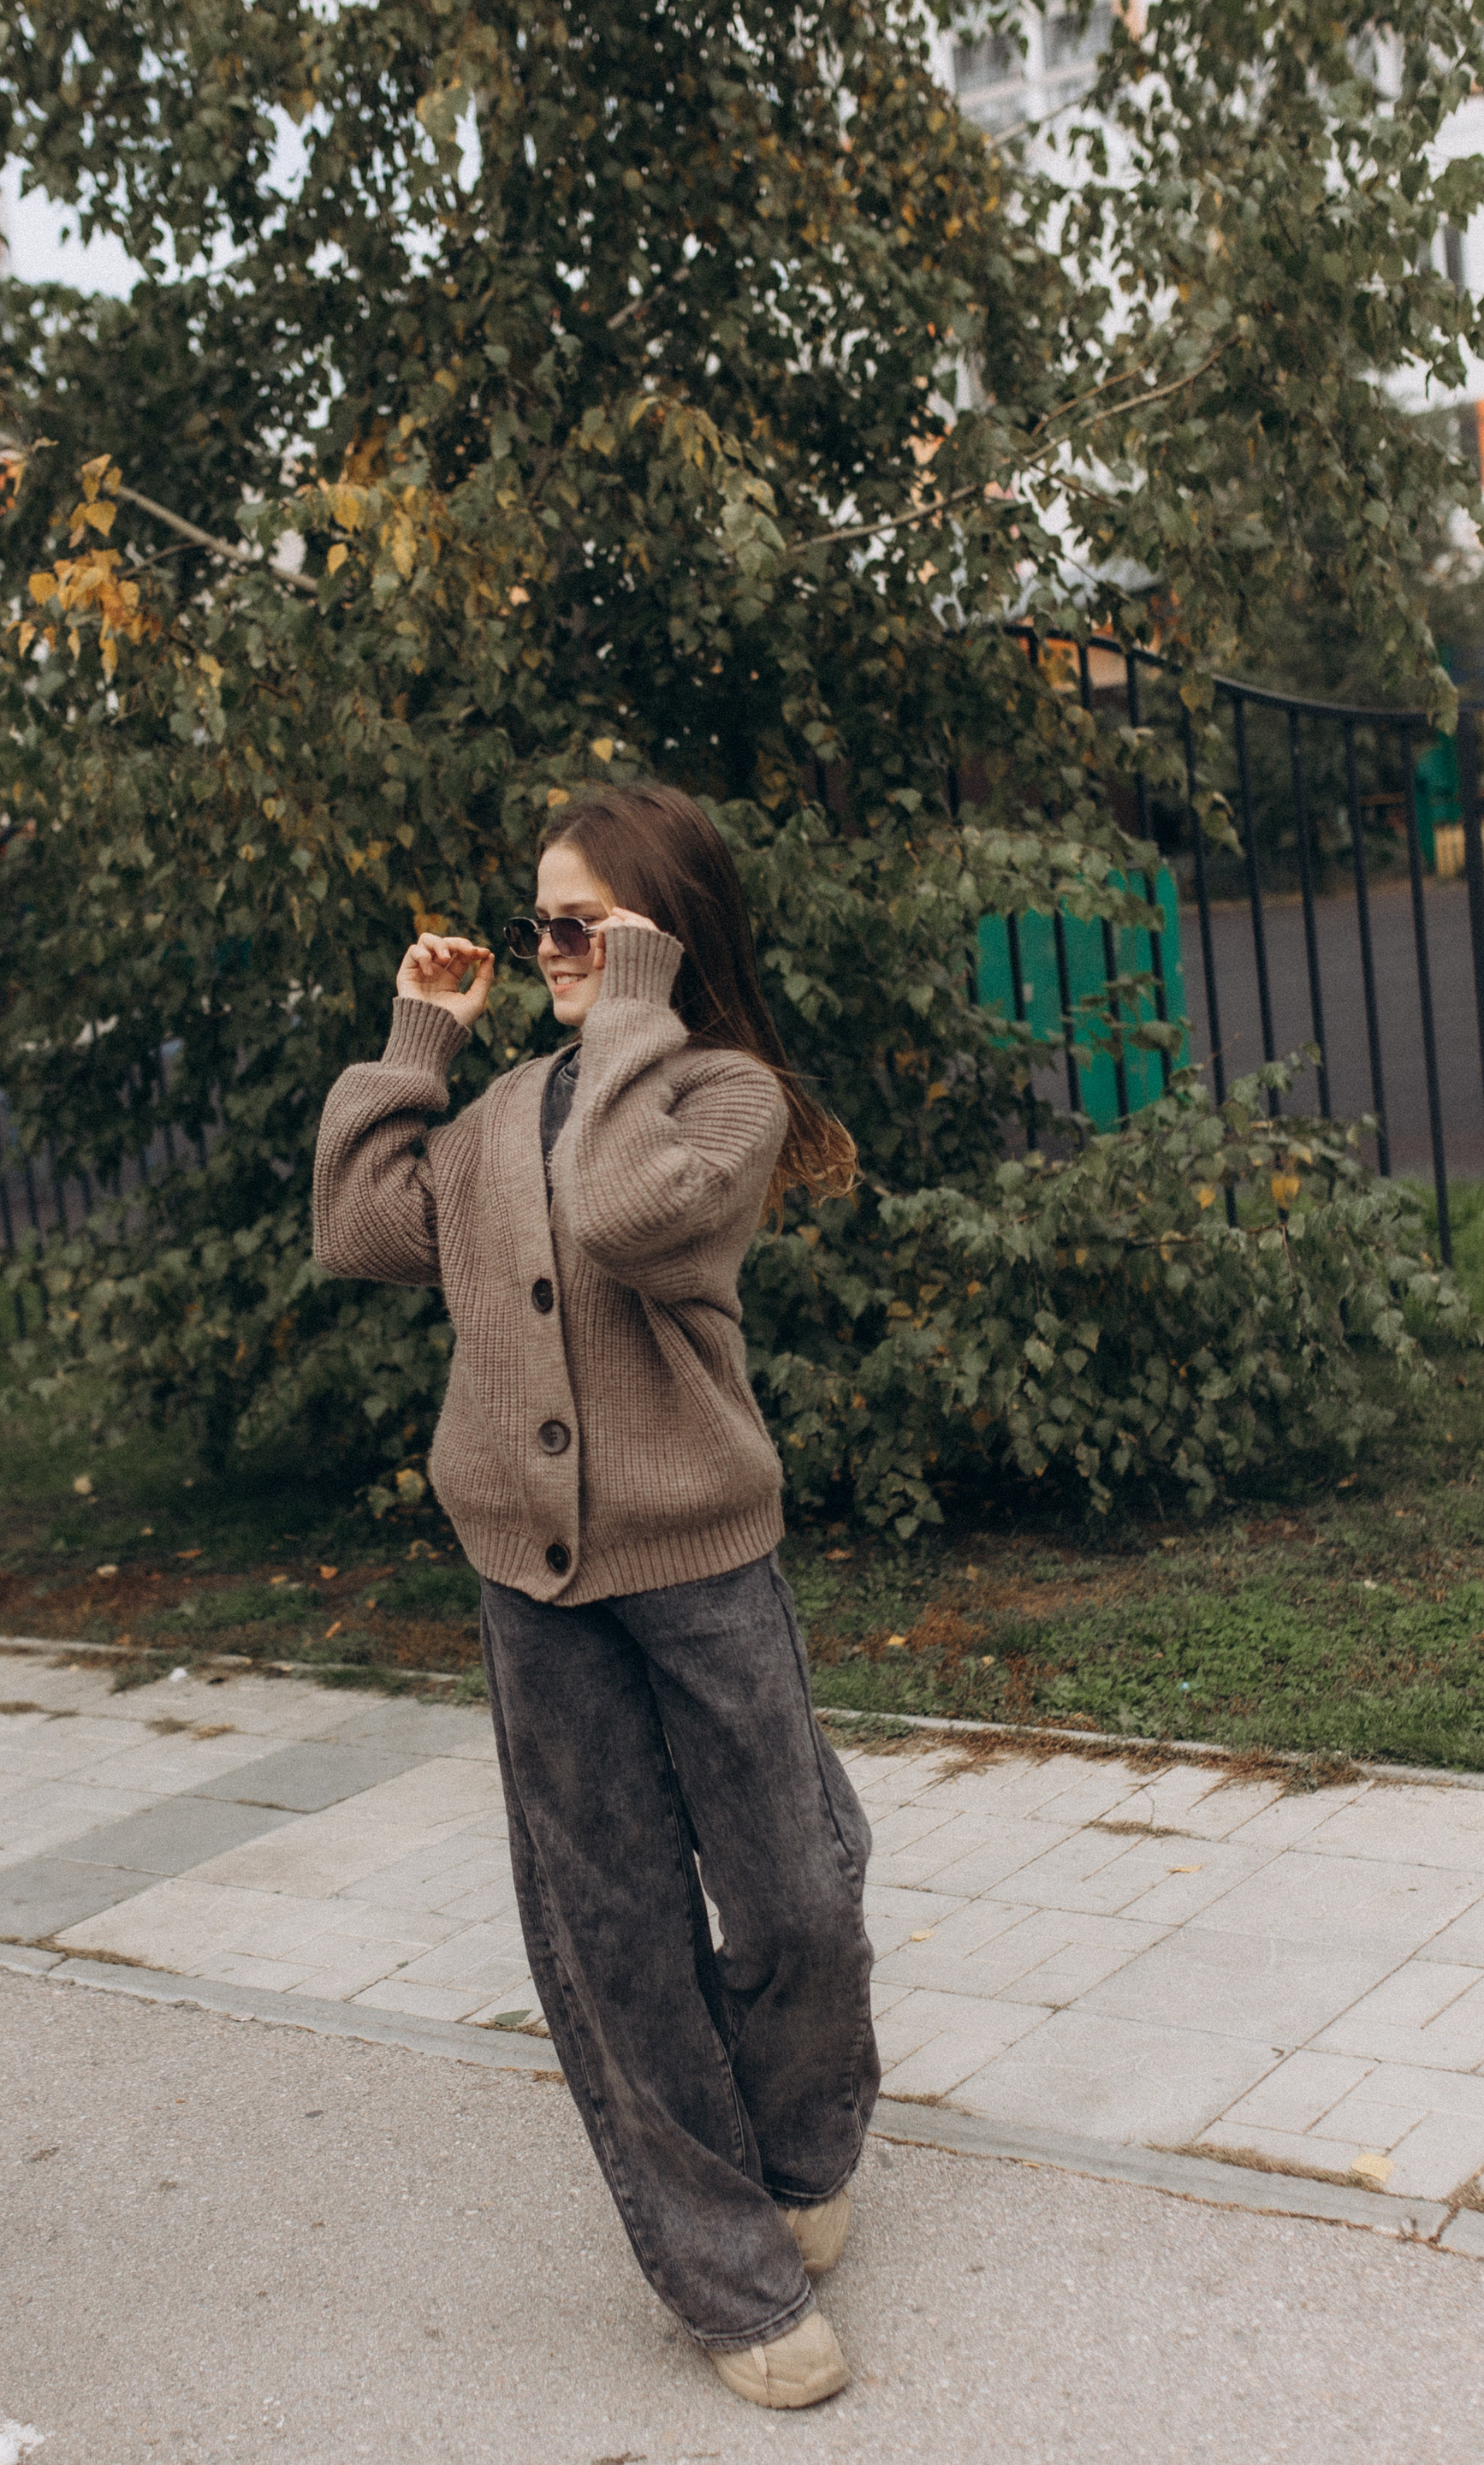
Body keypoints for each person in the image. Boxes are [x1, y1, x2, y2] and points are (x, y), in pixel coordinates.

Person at [312, 783, 878, 2410]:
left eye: (589, 926)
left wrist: (633, 1012)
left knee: (798, 1896)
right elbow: (358, 1226)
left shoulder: (723, 1096)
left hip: (703, 1561)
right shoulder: (497, 1115)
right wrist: (420, 1039)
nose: (554, 949)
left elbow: (630, 1214)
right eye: (543, 923)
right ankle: (730, 2276)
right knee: (617, 1933)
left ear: (661, 939)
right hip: (531, 1579)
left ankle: (803, 2143)